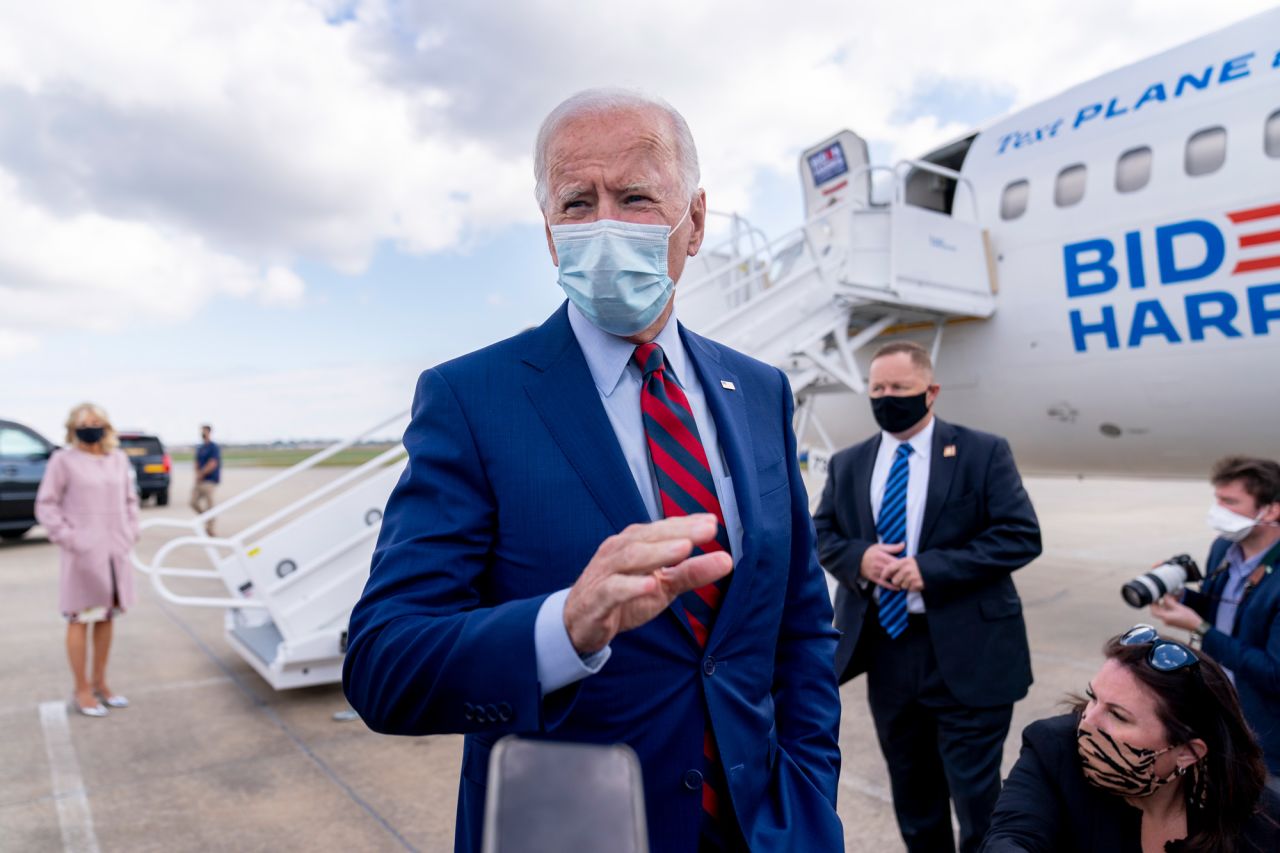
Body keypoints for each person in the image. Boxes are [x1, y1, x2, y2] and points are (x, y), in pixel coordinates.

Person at [342, 89, 843, 852]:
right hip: (570, 831)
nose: (605, 223)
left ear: (695, 221)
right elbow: (385, 663)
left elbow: (800, 625)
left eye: (636, 196)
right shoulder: (472, 399)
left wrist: (809, 795)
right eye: (578, 202)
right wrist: (564, 626)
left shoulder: (760, 391)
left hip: (765, 827)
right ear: (550, 235)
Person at [814, 340, 1042, 853]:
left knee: (977, 801)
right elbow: (822, 531)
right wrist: (859, 559)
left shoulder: (982, 451)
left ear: (931, 391)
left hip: (969, 652)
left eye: (900, 388)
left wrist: (931, 568)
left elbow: (1020, 534)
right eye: (878, 389)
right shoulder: (850, 462)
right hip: (888, 650)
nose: (887, 397)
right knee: (914, 797)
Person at [981, 625, 1280, 852]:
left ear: (1188, 752)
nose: (1088, 719)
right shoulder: (1054, 749)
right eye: (1093, 698)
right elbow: (1009, 837)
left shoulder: (1253, 812)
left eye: (1118, 715)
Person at [1149, 456, 1280, 793]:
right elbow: (1223, 609)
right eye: (1217, 499)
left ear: (1272, 510)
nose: (1218, 510)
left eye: (1230, 502)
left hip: (1267, 737)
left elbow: (1273, 672)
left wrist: (1201, 628)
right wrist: (1179, 595)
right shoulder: (1224, 547)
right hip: (1219, 719)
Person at [35, 402, 139, 717]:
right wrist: (71, 539)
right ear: (73, 427)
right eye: (85, 422)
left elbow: (130, 500)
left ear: (105, 426)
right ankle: (82, 689)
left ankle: (101, 684)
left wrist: (130, 532)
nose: (91, 426)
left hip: (114, 552)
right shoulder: (63, 461)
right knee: (80, 617)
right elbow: (47, 505)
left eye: (96, 421)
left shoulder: (118, 459)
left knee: (106, 616)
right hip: (82, 554)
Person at [191, 424, 220, 535]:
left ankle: (210, 528)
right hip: (199, 480)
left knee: (210, 505)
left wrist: (202, 473)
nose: (202, 433)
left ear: (209, 432)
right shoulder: (200, 447)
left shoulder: (213, 447)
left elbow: (213, 463)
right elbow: (196, 462)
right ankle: (206, 519)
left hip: (209, 480)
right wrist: (197, 474)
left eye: (204, 431)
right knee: (193, 502)